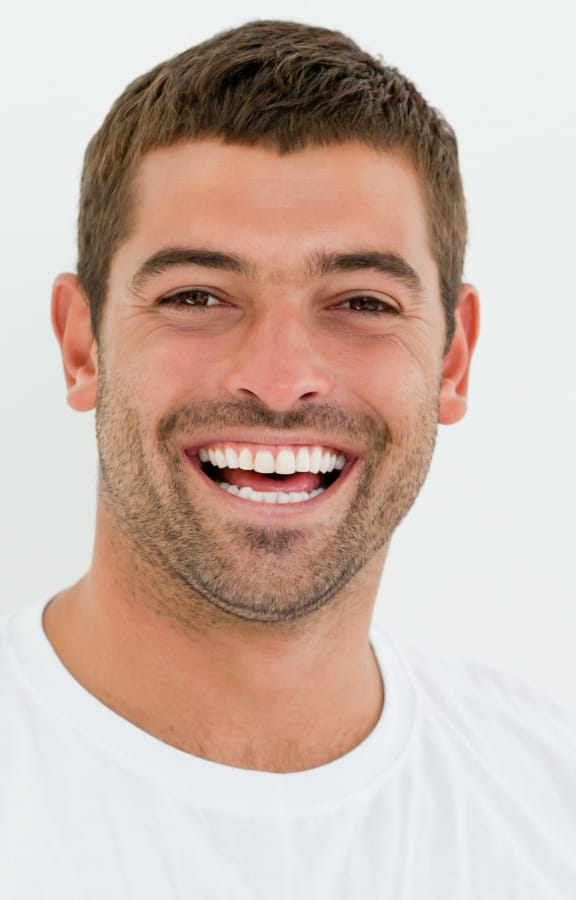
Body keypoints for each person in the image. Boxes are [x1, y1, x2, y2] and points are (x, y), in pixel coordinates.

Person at [1, 19, 574, 898]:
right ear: (81, 346)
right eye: (197, 295)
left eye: (361, 301)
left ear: (454, 363)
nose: (278, 380)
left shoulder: (549, 804)